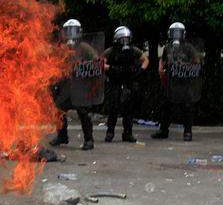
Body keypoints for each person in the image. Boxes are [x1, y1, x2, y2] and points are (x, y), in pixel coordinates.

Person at [50, 19, 105, 150]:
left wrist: (82, 66)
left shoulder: (84, 47)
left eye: (73, 31)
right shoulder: (61, 48)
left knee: (83, 112)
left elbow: (96, 62)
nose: (70, 34)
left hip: (80, 86)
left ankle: (89, 140)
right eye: (68, 31)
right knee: (59, 110)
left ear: (79, 32)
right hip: (66, 86)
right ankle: (62, 136)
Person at [151, 22, 203, 142]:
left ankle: (188, 132)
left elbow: (197, 62)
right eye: (174, 32)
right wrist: (161, 68)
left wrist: (183, 65)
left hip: (185, 83)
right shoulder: (168, 47)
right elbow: (163, 60)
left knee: (187, 108)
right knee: (166, 107)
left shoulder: (189, 48)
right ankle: (163, 131)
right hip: (171, 82)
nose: (176, 35)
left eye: (178, 32)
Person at [102, 26, 149, 143]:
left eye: (127, 39)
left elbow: (145, 60)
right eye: (122, 39)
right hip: (115, 81)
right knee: (113, 107)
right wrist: (111, 69)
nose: (125, 42)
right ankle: (110, 132)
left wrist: (140, 70)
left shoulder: (133, 50)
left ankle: (128, 133)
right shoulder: (111, 51)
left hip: (129, 81)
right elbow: (101, 62)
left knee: (129, 109)